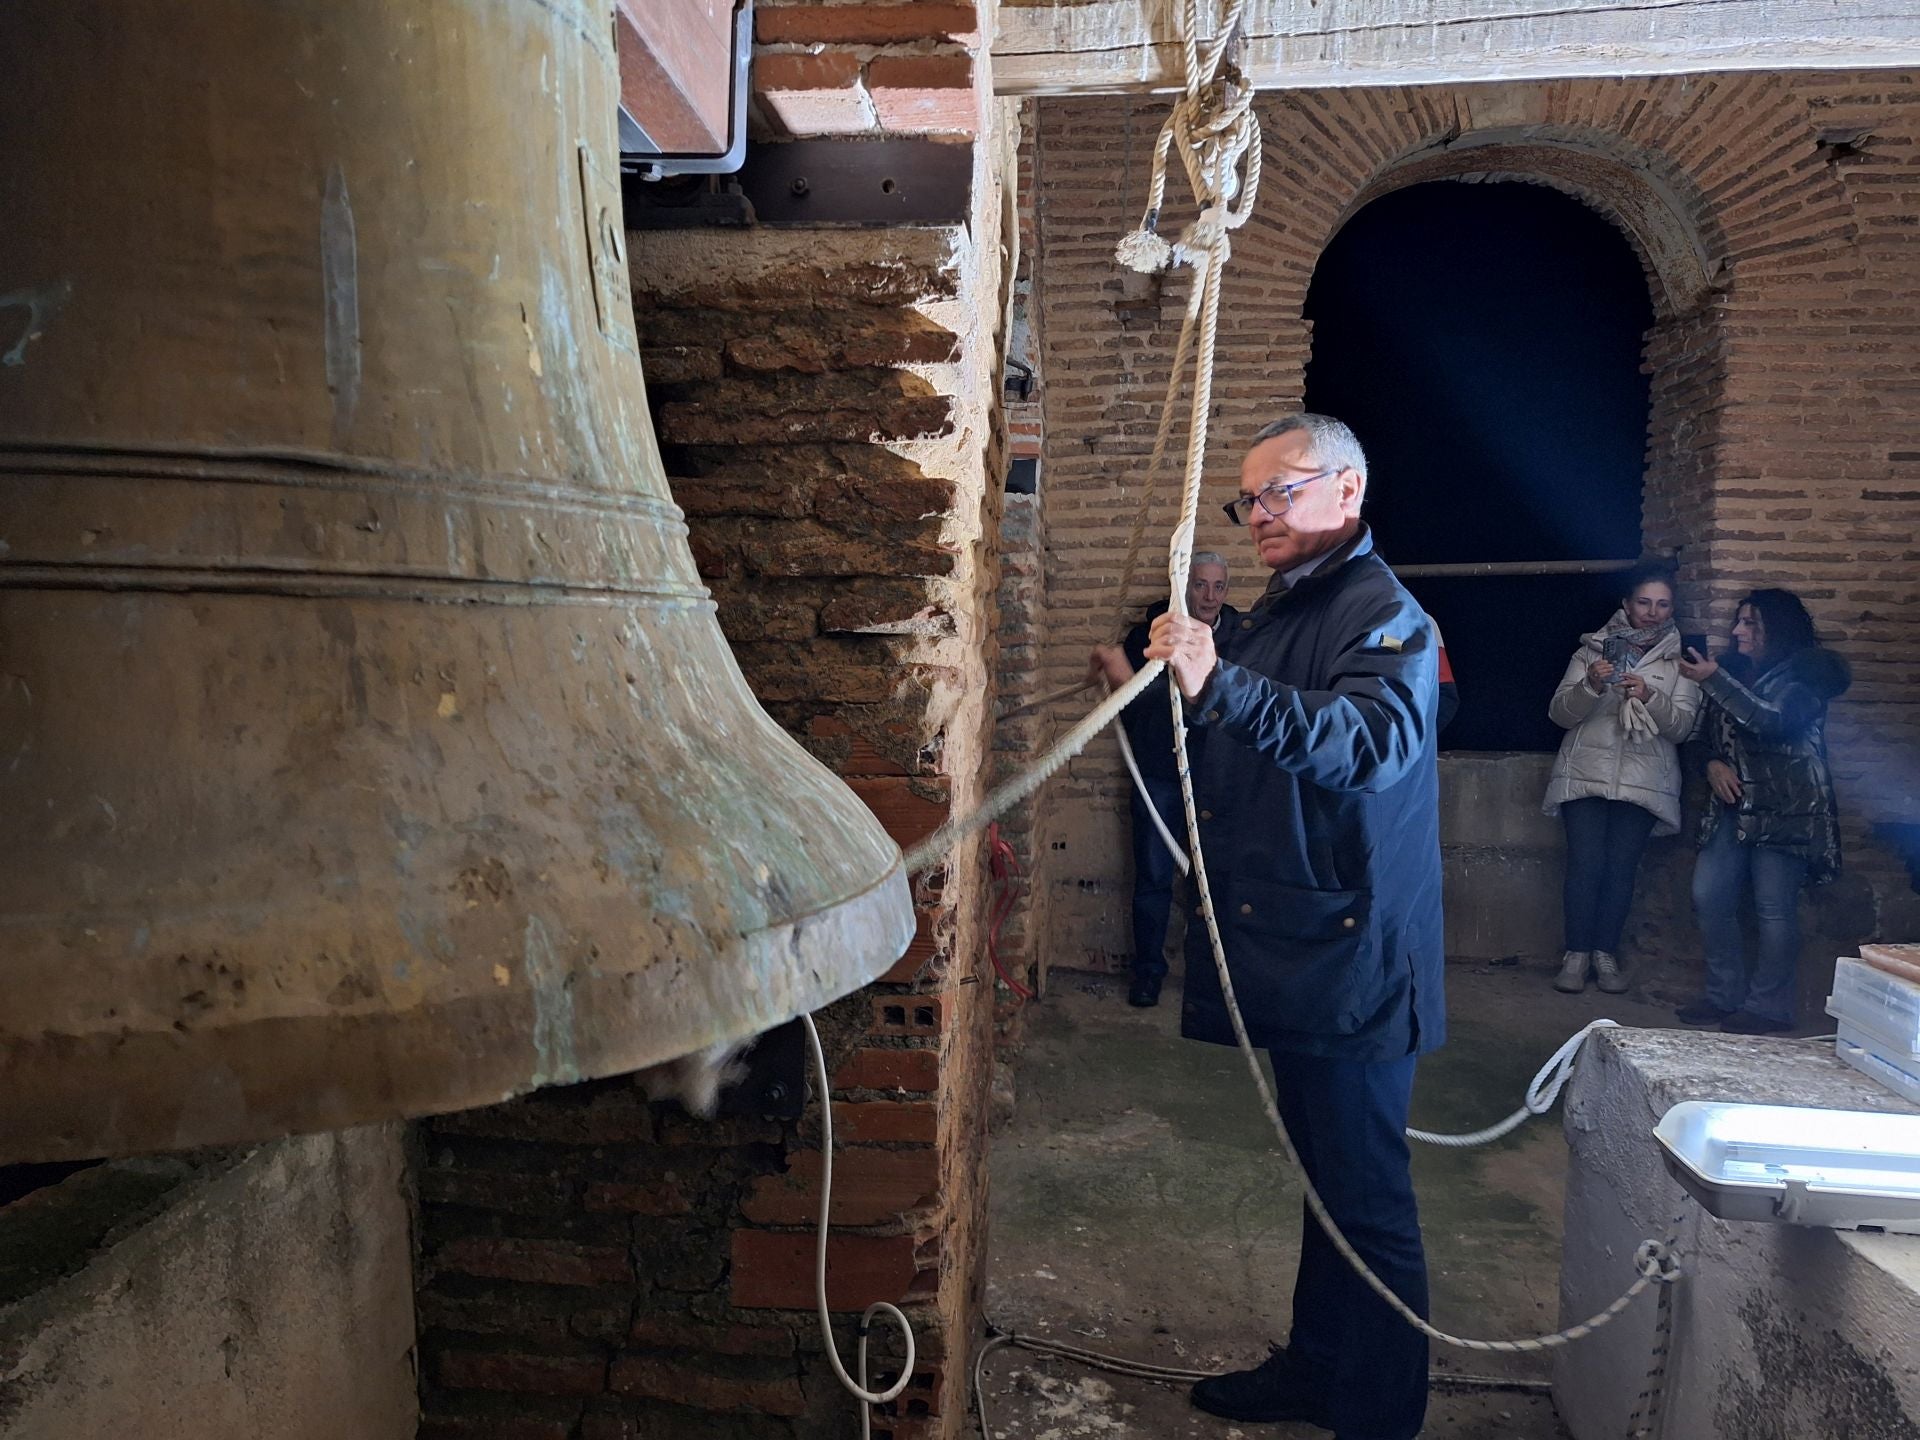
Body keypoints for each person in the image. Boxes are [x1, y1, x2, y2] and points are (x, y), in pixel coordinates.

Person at [1147, 413, 1441, 1440]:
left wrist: (1219, 680)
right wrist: (1194, 677)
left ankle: (1382, 1418)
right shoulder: (1295, 604)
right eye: (1250, 497)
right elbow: (1250, 741)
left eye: (1283, 490)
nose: (1260, 512)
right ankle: (1321, 1371)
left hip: (1357, 959)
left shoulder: (1384, 613)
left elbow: (1368, 744)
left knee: (1366, 1202)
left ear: (1348, 493)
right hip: (1312, 940)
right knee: (1327, 1184)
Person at [1675, 589, 1851, 1034]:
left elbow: (1773, 722)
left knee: (1774, 910)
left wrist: (1713, 679)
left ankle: (1770, 1007)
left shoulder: (1810, 674)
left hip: (1786, 808)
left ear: (1778, 627)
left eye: (1750, 623)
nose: (1737, 632)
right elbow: (1699, 735)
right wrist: (1711, 763)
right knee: (1709, 894)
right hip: (1733, 806)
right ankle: (1724, 996)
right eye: (1738, 621)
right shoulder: (1730, 670)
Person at [1541, 562, 1702, 995]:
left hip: (1644, 779)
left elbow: (1683, 728)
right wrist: (1590, 687)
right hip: (1587, 772)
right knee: (1585, 866)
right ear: (1627, 605)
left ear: (1672, 609)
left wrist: (1650, 697)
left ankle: (1605, 955)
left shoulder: (1679, 662)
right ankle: (1575, 956)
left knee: (1620, 871)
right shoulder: (1592, 652)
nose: (1652, 612)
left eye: (1662, 604)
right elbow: (1560, 714)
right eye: (1644, 602)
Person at [1088, 555, 1237, 1007]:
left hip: (1215, 782)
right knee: (1153, 879)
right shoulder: (1151, 630)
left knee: (1214, 883)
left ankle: (1213, 984)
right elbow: (1135, 702)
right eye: (1200, 586)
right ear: (1183, 587)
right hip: (1158, 775)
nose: (1210, 597)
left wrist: (1131, 680)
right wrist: (1123, 678)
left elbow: (1222, 702)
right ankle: (1148, 974)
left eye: (1219, 587)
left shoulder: (1238, 633)